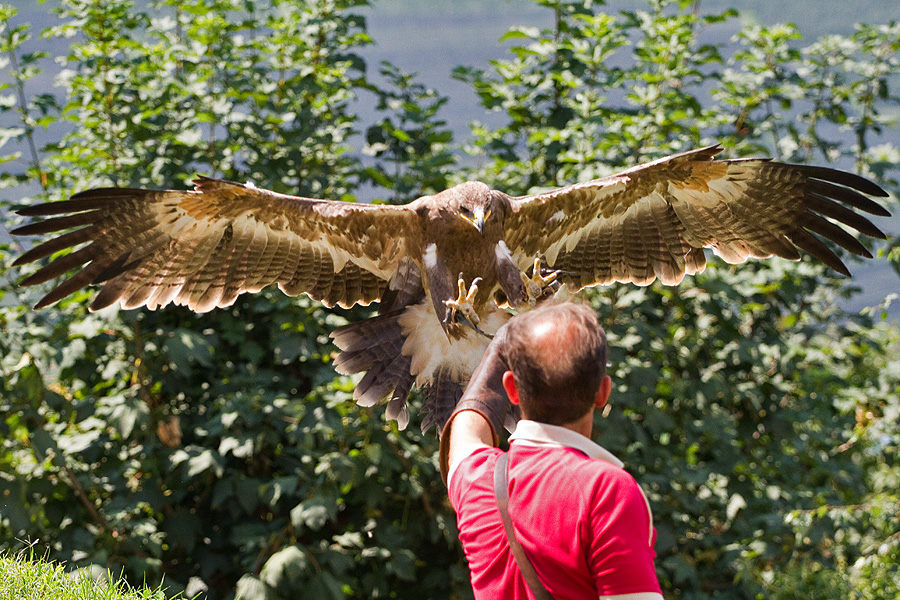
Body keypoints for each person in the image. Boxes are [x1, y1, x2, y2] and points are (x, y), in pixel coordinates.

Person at [439, 302, 663, 600]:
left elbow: (464, 435)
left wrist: (500, 345)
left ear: (512, 390)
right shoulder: (606, 491)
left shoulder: (479, 481)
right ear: (602, 392)